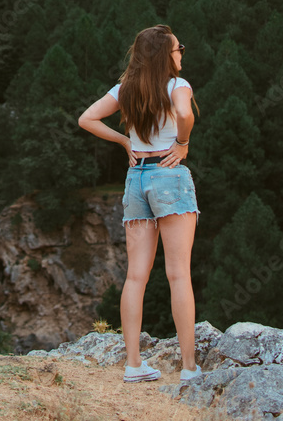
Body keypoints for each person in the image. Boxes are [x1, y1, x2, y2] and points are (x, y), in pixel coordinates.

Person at [78, 24, 201, 384]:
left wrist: (125, 142)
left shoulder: (125, 90)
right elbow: (184, 114)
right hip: (169, 175)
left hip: (137, 179)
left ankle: (133, 364)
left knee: (135, 276)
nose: (181, 54)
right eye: (179, 49)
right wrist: (183, 142)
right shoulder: (179, 86)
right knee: (178, 274)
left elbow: (87, 118)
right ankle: (189, 368)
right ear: (166, 55)